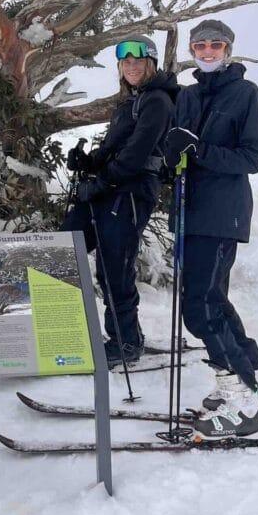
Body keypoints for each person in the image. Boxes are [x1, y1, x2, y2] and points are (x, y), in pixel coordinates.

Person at [163, 19, 258, 438]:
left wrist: (199, 149)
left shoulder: (245, 93)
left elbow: (252, 158)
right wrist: (172, 154)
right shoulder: (188, 95)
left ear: (228, 50)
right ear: (192, 50)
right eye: (200, 45)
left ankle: (241, 397)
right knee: (213, 301)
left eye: (215, 45)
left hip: (222, 213)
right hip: (190, 213)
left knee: (200, 308)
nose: (207, 51)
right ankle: (253, 381)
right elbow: (178, 152)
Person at [63, 37, 178, 368]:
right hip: (110, 188)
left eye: (138, 61)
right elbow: (114, 148)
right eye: (125, 62)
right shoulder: (133, 101)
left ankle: (125, 342)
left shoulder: (158, 101)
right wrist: (88, 161)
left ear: (151, 63)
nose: (131, 66)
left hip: (131, 193)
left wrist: (100, 183)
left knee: (114, 266)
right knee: (64, 248)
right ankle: (59, 329)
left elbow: (136, 154)